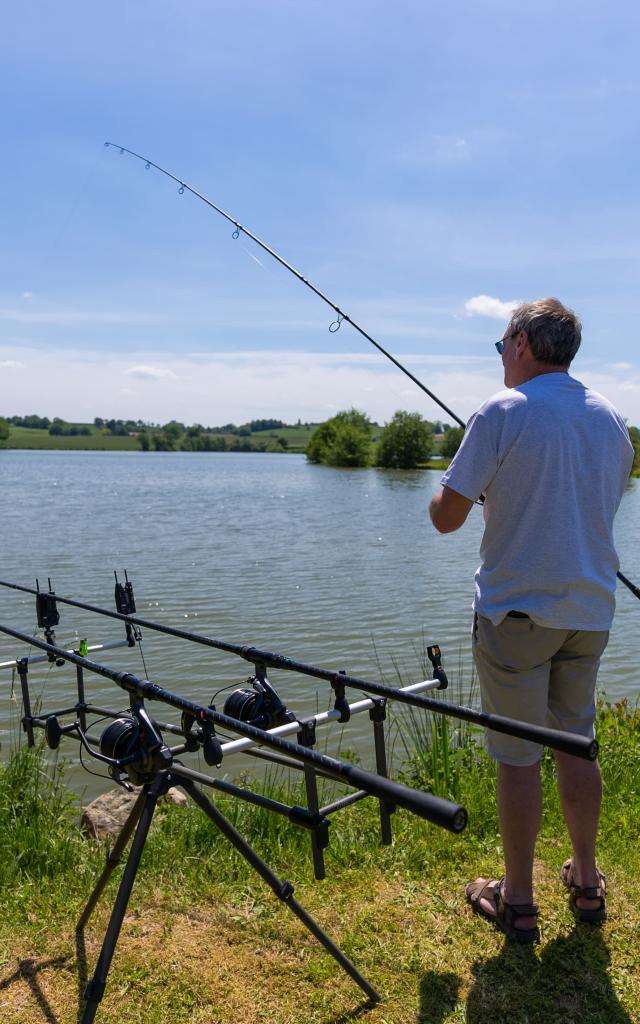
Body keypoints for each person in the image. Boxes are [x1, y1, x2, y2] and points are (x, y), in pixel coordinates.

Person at [428, 298, 634, 942]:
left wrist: (475, 487)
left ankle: (517, 899)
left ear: (520, 342)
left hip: (516, 615)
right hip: (590, 613)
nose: (500, 359)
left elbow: (444, 516)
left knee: (517, 758)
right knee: (576, 741)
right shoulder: (611, 422)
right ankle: (587, 879)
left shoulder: (502, 411)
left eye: (499, 346)